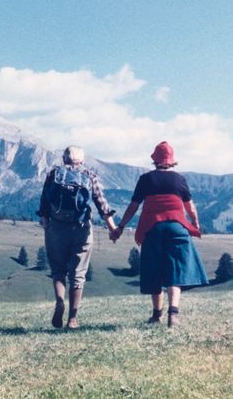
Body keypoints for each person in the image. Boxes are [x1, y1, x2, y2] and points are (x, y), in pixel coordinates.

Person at [111, 141, 208, 328]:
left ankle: (157, 315)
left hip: (153, 228)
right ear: (172, 162)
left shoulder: (146, 179)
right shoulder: (179, 180)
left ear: (155, 160)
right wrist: (195, 224)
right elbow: (190, 207)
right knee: (175, 271)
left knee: (154, 270)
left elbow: (133, 206)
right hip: (177, 227)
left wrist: (121, 226)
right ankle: (173, 313)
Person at [38, 146, 117, 329]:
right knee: (78, 273)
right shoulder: (89, 175)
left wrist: (47, 223)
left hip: (56, 227)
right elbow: (101, 204)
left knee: (58, 270)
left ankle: (59, 301)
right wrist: (113, 228)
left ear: (64, 159)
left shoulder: (53, 174)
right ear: (82, 160)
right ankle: (72, 319)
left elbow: (44, 203)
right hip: (81, 229)